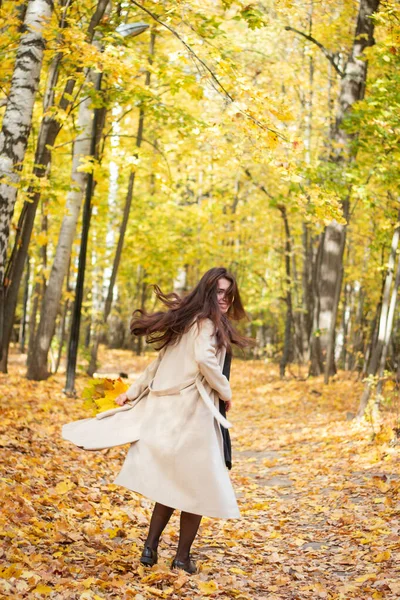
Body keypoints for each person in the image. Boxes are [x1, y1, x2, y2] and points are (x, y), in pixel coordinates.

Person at [62, 267, 251, 574]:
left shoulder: (187, 321)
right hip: (193, 419)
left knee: (172, 485)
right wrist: (226, 390)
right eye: (218, 291)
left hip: (172, 416)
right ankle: (181, 558)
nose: (225, 298)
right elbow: (203, 360)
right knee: (199, 488)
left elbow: (158, 362)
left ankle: (150, 549)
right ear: (206, 292)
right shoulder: (205, 324)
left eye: (228, 293)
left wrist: (133, 393)